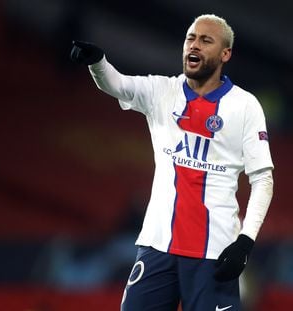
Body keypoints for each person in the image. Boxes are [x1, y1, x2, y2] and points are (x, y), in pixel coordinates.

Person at [70, 14, 274, 311]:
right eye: (191, 38)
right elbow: (118, 85)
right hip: (157, 246)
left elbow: (263, 180)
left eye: (206, 40)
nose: (195, 45)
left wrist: (245, 242)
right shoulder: (161, 92)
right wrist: (97, 62)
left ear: (225, 54)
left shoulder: (245, 106)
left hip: (214, 252)